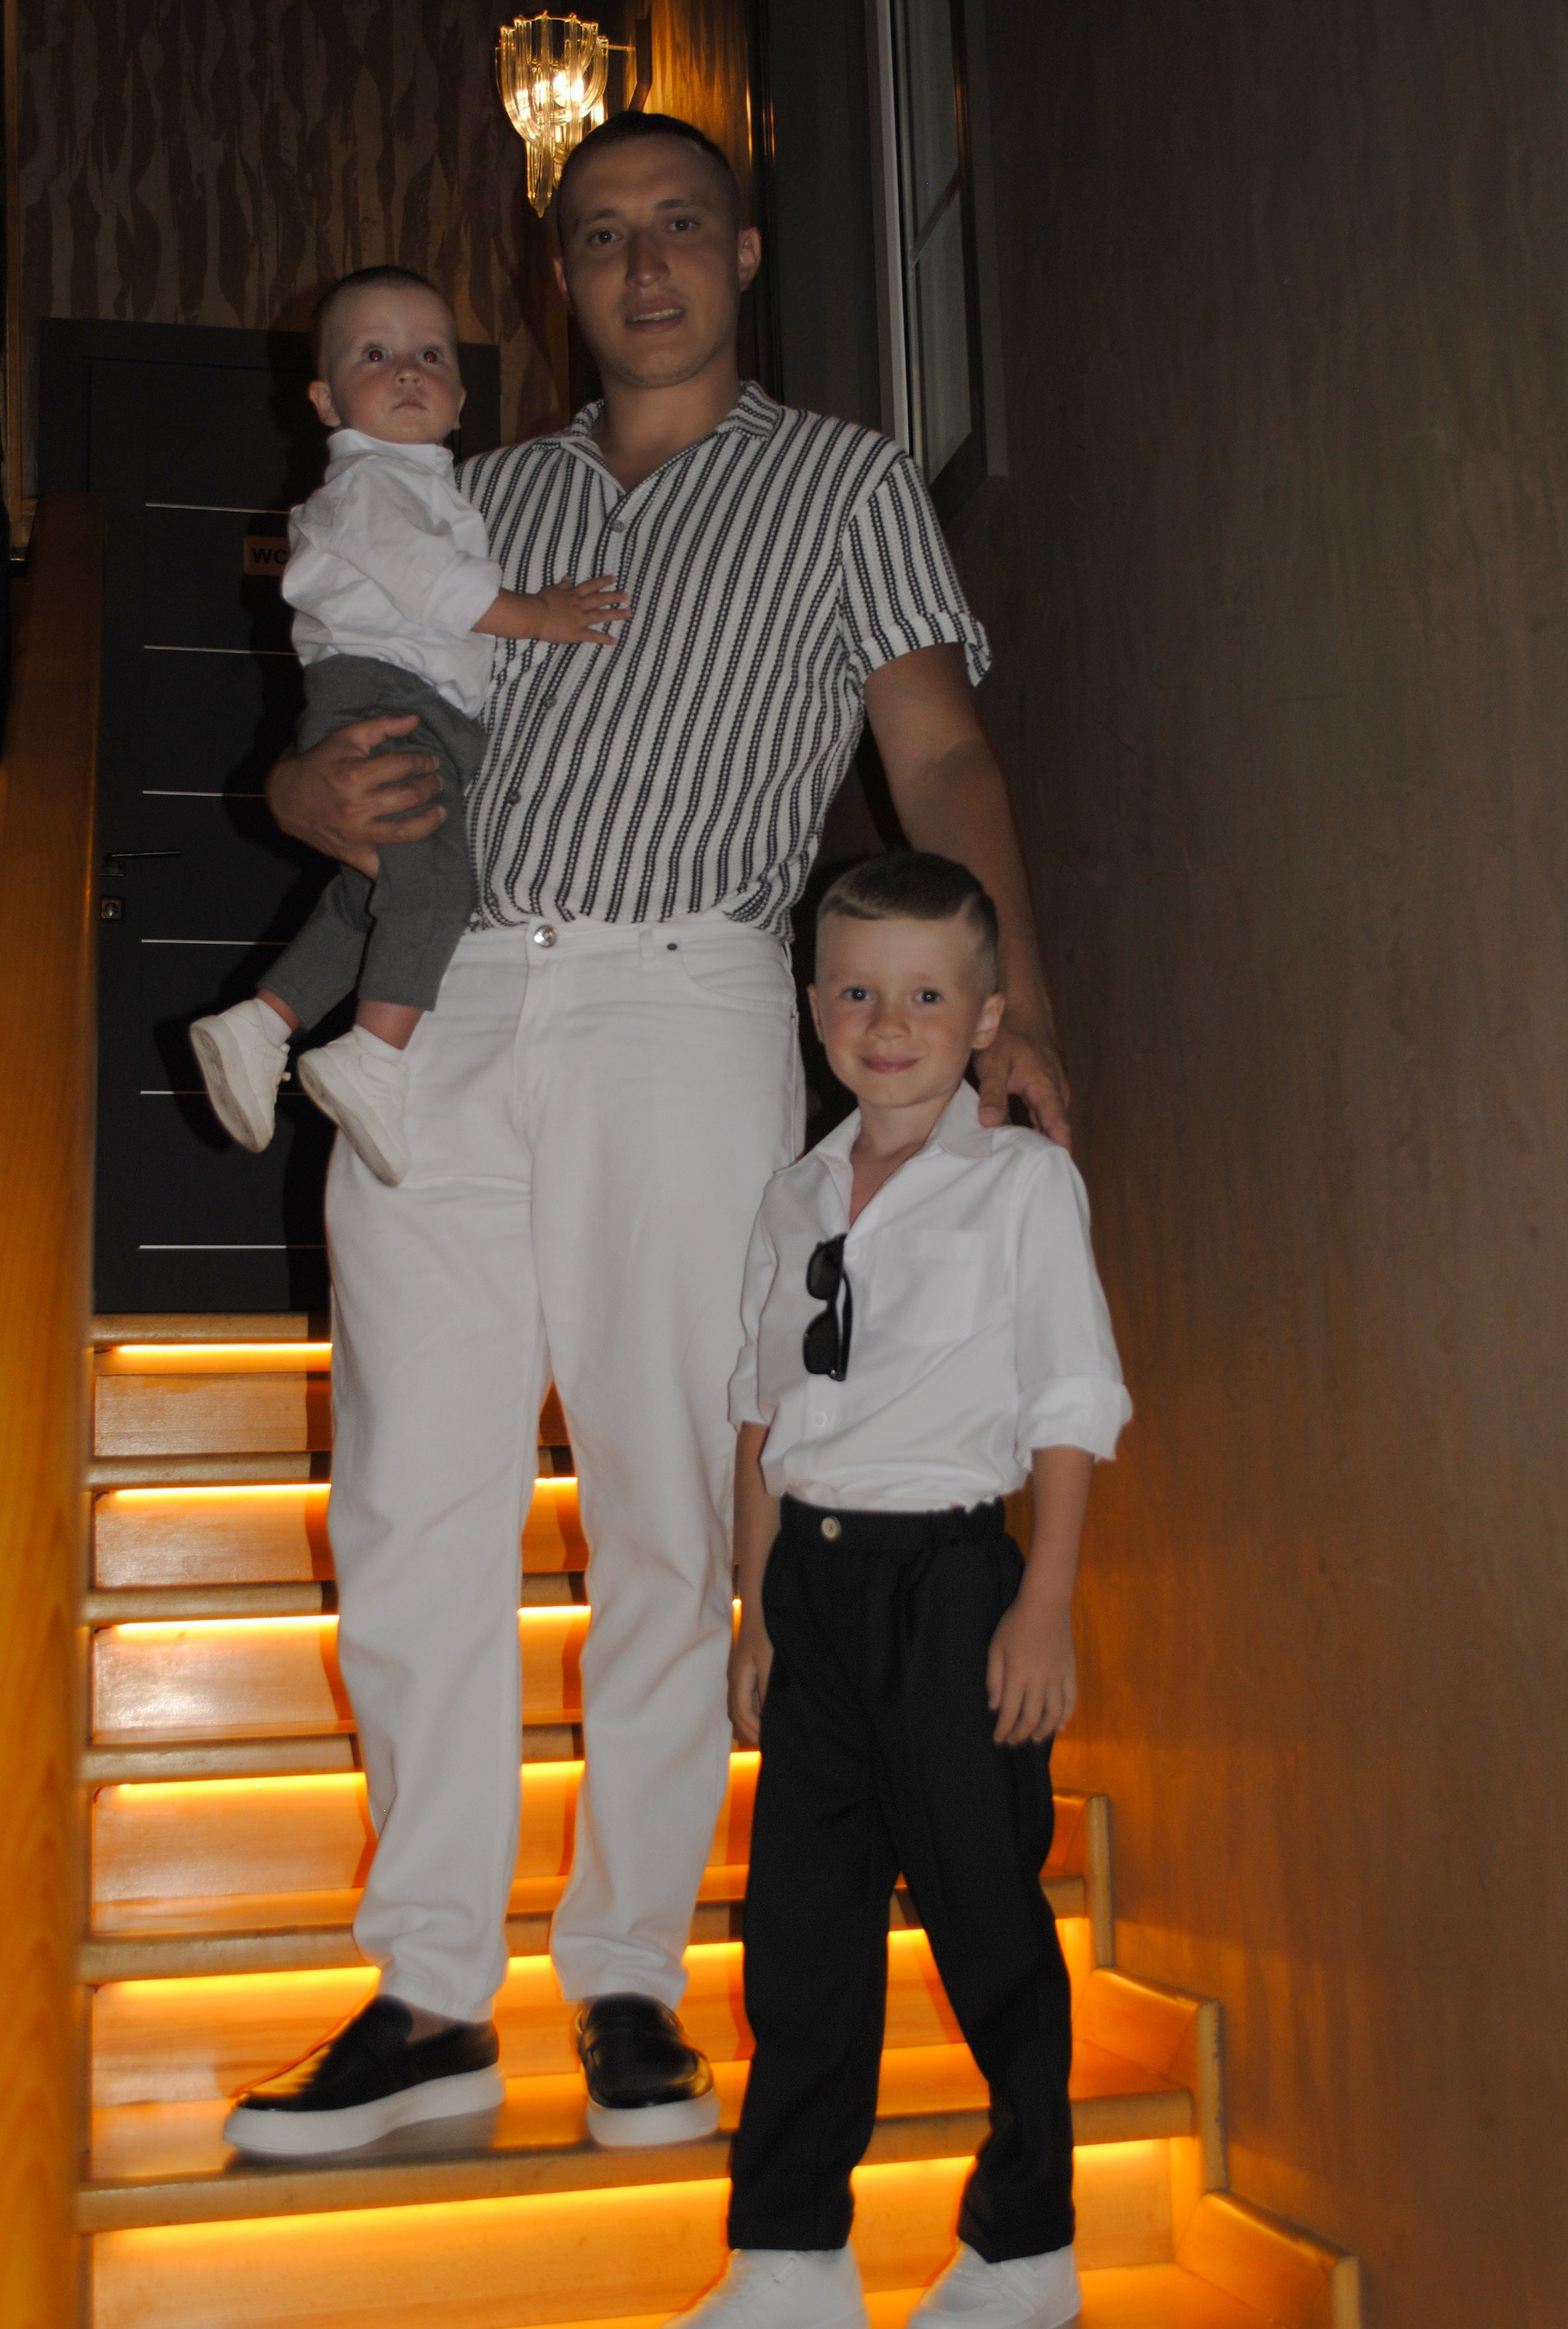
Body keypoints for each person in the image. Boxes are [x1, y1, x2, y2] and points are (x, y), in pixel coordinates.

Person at [224, 110, 1075, 2162]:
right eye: (600, 233)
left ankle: (626, 1972)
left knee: (674, 1505)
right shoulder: (473, 486)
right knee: (407, 1496)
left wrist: (1017, 1008)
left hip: (684, 1000)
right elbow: (351, 705)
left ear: (743, 251)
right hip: (440, 1004)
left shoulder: (841, 479)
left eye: (680, 224)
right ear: (559, 276)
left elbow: (937, 747)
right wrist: (293, 801)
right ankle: (430, 1991)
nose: (643, 262)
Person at [679, 852, 1130, 2329]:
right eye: (860, 992)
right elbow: (763, 1413)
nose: (891, 1024)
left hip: (951, 1587)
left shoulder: (1022, 1183)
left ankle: (1028, 2245)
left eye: (929, 997)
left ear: (986, 1016)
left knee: (985, 1912)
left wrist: (1042, 1604)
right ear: (816, 1007)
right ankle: (792, 2256)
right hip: (811, 1592)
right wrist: (754, 1609)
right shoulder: (795, 1193)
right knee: (800, 1934)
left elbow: (1072, 1400)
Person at [189, 265, 629, 1187]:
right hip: (389, 697)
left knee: (383, 887)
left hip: (417, 704)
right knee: (437, 887)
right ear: (324, 400)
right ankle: (374, 1055)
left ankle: (261, 1022)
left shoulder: (424, 482)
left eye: (431, 355)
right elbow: (437, 588)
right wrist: (539, 615)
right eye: (374, 355)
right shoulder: (370, 484)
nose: (406, 372)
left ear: (462, 396)